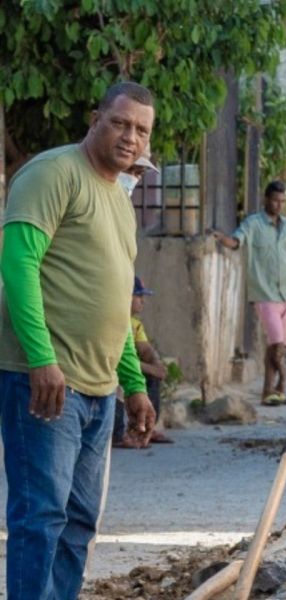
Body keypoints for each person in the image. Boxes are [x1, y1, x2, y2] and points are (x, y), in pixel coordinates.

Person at [0, 81, 157, 600]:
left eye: (141, 129)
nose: (130, 136)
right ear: (95, 119)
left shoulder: (118, 197)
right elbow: (17, 265)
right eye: (120, 122)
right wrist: (42, 358)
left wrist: (133, 385)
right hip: (44, 382)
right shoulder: (53, 173)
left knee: (79, 522)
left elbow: (116, 304)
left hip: (98, 389)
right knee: (41, 516)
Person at [212, 181, 286, 406]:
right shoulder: (253, 224)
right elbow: (236, 241)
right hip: (264, 294)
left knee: (279, 346)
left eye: (283, 201)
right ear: (266, 199)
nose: (279, 205)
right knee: (276, 345)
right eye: (275, 200)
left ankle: (268, 392)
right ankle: (283, 381)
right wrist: (222, 239)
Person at [113, 276, 172, 448]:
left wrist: (155, 363)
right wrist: (147, 368)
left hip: (130, 366)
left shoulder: (136, 325)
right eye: (138, 296)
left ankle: (146, 426)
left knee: (151, 378)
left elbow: (146, 350)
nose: (142, 302)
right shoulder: (115, 319)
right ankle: (118, 434)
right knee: (117, 382)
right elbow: (117, 357)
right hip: (115, 369)